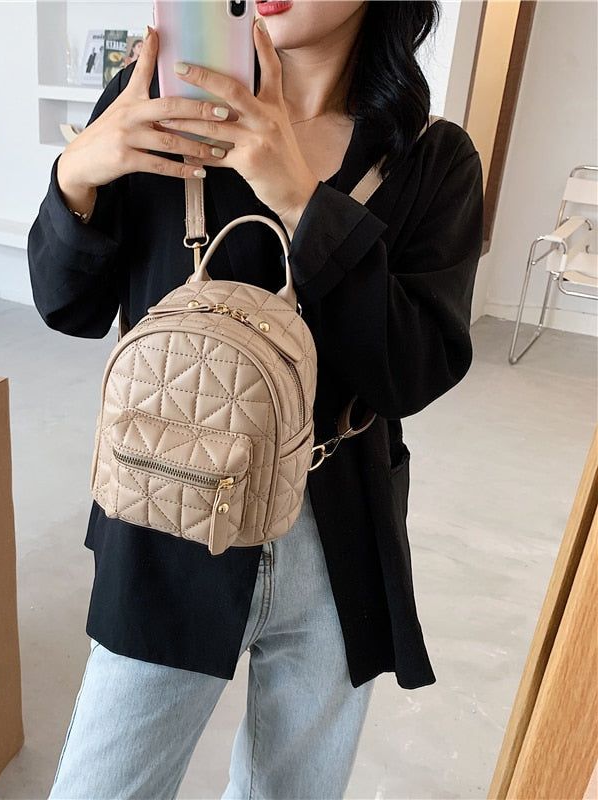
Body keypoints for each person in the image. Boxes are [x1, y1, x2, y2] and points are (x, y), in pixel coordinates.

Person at [27, 2, 484, 797]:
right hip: (168, 514)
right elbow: (67, 306)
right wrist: (75, 177)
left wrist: (304, 200)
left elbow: (413, 370)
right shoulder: (156, 107)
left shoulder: (430, 157)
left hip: (336, 537)